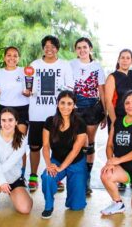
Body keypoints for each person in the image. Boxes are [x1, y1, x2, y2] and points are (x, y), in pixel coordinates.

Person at [27, 35, 74, 192]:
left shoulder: (65, 65)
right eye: (46, 46)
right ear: (43, 48)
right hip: (36, 114)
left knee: (57, 147)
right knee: (35, 146)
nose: (49, 49)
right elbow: (28, 87)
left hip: (57, 115)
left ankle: (57, 175)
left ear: (57, 49)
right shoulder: (34, 65)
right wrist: (27, 91)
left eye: (53, 46)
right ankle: (33, 176)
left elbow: (70, 90)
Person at [40, 91, 87, 219]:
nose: (65, 107)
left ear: (74, 106)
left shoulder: (80, 123)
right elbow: (45, 146)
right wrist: (49, 165)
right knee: (47, 176)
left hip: (76, 163)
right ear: (57, 103)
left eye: (69, 104)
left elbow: (75, 151)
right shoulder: (50, 121)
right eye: (62, 103)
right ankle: (49, 205)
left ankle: (75, 194)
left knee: (76, 206)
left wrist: (61, 168)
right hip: (57, 161)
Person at [70, 37, 107, 195]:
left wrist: (105, 113)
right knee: (78, 144)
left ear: (90, 48)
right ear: (76, 50)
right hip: (76, 108)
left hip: (93, 108)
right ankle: (76, 178)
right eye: (79, 47)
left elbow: (101, 90)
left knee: (89, 145)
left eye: (85, 47)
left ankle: (86, 179)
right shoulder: (70, 65)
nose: (82, 50)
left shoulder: (97, 67)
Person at [104, 49, 132, 191]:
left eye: (128, 58)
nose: (125, 60)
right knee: (117, 147)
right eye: (122, 58)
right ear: (118, 60)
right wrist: (114, 122)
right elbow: (108, 101)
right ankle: (119, 178)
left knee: (131, 146)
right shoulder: (112, 77)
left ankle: (130, 176)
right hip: (118, 117)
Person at [0, 46, 30, 135]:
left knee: (20, 140)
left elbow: (29, 91)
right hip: (5, 108)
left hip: (22, 108)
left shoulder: (25, 71)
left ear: (19, 58)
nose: (12, 58)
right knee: (7, 139)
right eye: (9, 55)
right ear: (4, 57)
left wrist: (27, 93)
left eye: (15, 56)